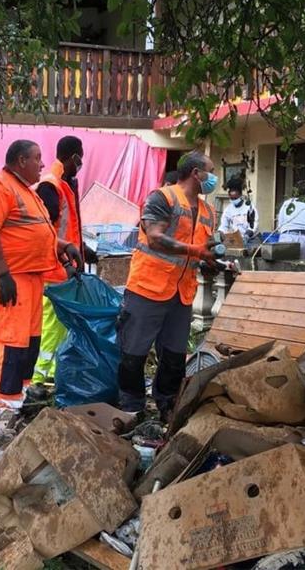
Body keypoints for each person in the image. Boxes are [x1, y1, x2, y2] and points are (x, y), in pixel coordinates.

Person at [0, 139, 83, 411]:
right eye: (37, 158)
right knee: (13, 344)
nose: (43, 163)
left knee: (30, 342)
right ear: (22, 161)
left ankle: (19, 398)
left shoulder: (28, 192)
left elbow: (41, 233)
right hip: (12, 278)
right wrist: (2, 274)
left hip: (33, 276)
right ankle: (4, 406)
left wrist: (64, 246)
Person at [117, 151, 219, 420]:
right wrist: (198, 252)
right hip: (148, 287)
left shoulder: (208, 211)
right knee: (134, 352)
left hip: (181, 293)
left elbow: (202, 252)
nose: (214, 177)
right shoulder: (162, 197)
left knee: (174, 355)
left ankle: (167, 405)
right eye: (210, 171)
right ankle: (131, 407)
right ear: (196, 173)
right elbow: (155, 238)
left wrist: (212, 262)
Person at [31, 135, 88, 387]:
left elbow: (68, 227)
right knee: (51, 325)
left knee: (59, 324)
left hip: (64, 265)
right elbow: (46, 231)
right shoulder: (51, 185)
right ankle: (39, 375)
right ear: (73, 157)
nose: (81, 164)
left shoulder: (63, 184)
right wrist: (65, 258)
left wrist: (82, 252)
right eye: (80, 158)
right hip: (54, 268)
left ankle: (51, 371)